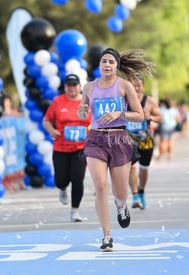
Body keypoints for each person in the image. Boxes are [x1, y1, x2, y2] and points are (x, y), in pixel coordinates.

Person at [77, 48, 155, 252]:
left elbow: (139, 115)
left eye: (111, 61)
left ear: (117, 65)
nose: (107, 65)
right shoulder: (88, 87)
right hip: (96, 139)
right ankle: (106, 236)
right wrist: (82, 110)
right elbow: (82, 111)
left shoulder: (125, 86)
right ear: (99, 65)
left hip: (119, 138)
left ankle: (121, 206)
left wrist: (119, 113)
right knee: (100, 186)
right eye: (104, 61)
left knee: (120, 192)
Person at [43, 74, 91, 222]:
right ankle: (63, 189)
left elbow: (93, 121)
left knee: (78, 179)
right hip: (61, 147)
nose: (72, 88)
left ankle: (75, 211)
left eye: (74, 85)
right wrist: (52, 130)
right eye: (69, 85)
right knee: (60, 180)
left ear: (79, 86)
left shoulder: (86, 102)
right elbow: (46, 120)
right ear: (65, 87)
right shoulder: (58, 101)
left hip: (80, 147)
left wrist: (89, 130)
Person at [126, 75, 162, 210]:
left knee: (143, 169)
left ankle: (141, 191)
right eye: (133, 85)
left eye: (138, 85)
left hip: (146, 141)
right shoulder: (124, 101)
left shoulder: (150, 102)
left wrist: (150, 117)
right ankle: (135, 196)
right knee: (131, 167)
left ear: (143, 86)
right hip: (129, 140)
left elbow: (160, 118)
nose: (136, 88)